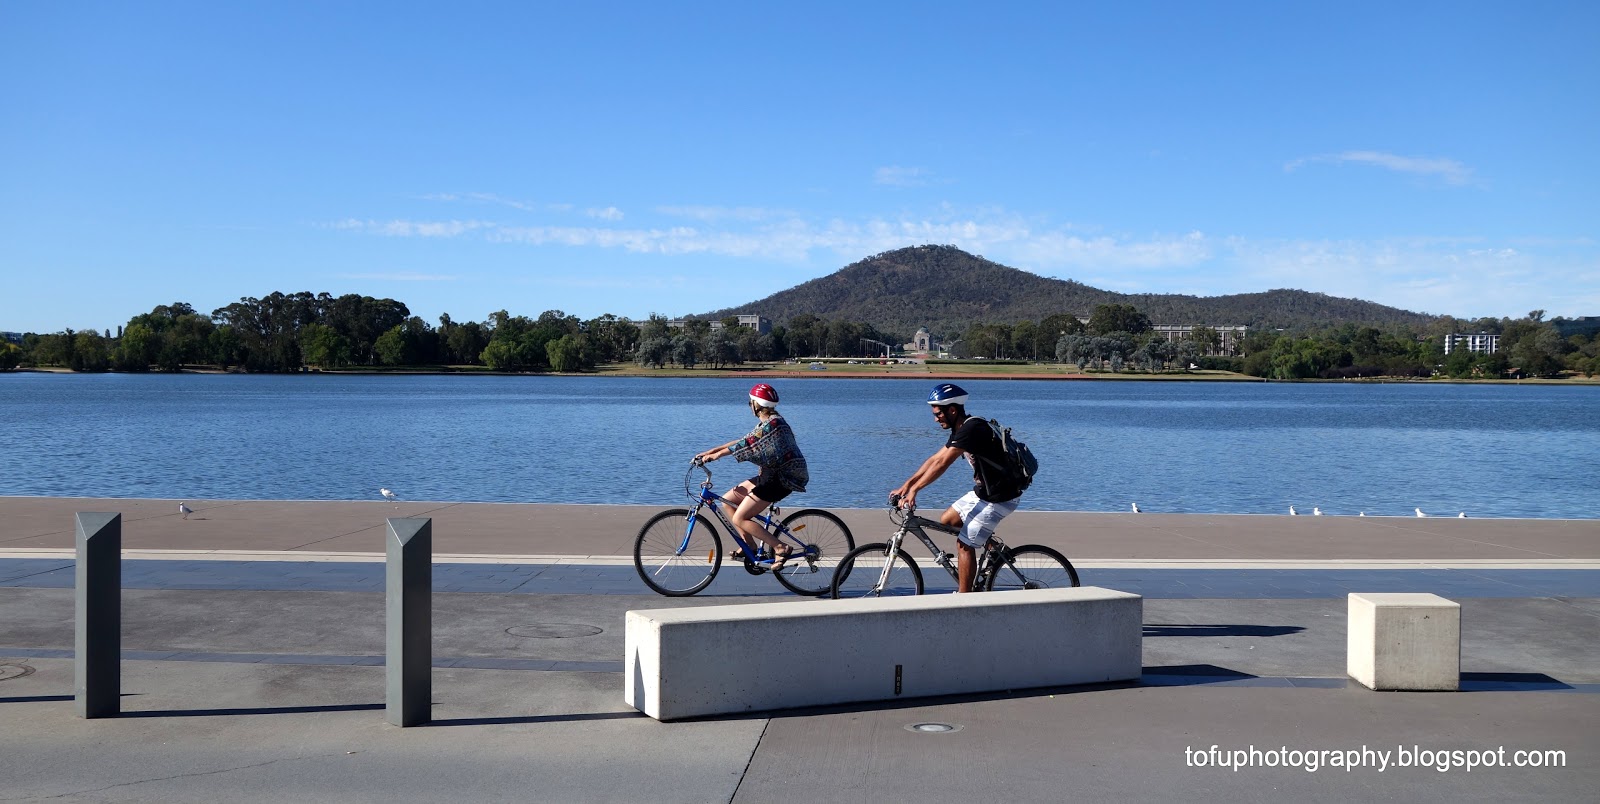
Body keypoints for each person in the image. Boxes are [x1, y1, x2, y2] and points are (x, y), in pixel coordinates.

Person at [890, 383, 1022, 592]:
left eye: (938, 414)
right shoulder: (961, 429)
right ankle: (994, 549)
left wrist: (915, 490)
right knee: (948, 520)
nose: (936, 419)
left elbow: (943, 464)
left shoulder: (972, 428)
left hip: (1000, 498)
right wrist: (907, 485)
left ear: (952, 410)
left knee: (964, 545)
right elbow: (935, 459)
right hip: (985, 493)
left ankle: (964, 599)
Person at [694, 383, 809, 569]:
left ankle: (780, 547)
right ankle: (750, 546)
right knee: (728, 500)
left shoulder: (774, 425)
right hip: (771, 476)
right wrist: (711, 451)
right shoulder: (769, 422)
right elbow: (744, 441)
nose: (749, 406)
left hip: (782, 479)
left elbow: (748, 444)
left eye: (750, 403)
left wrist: (717, 455)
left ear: (757, 404)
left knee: (740, 518)